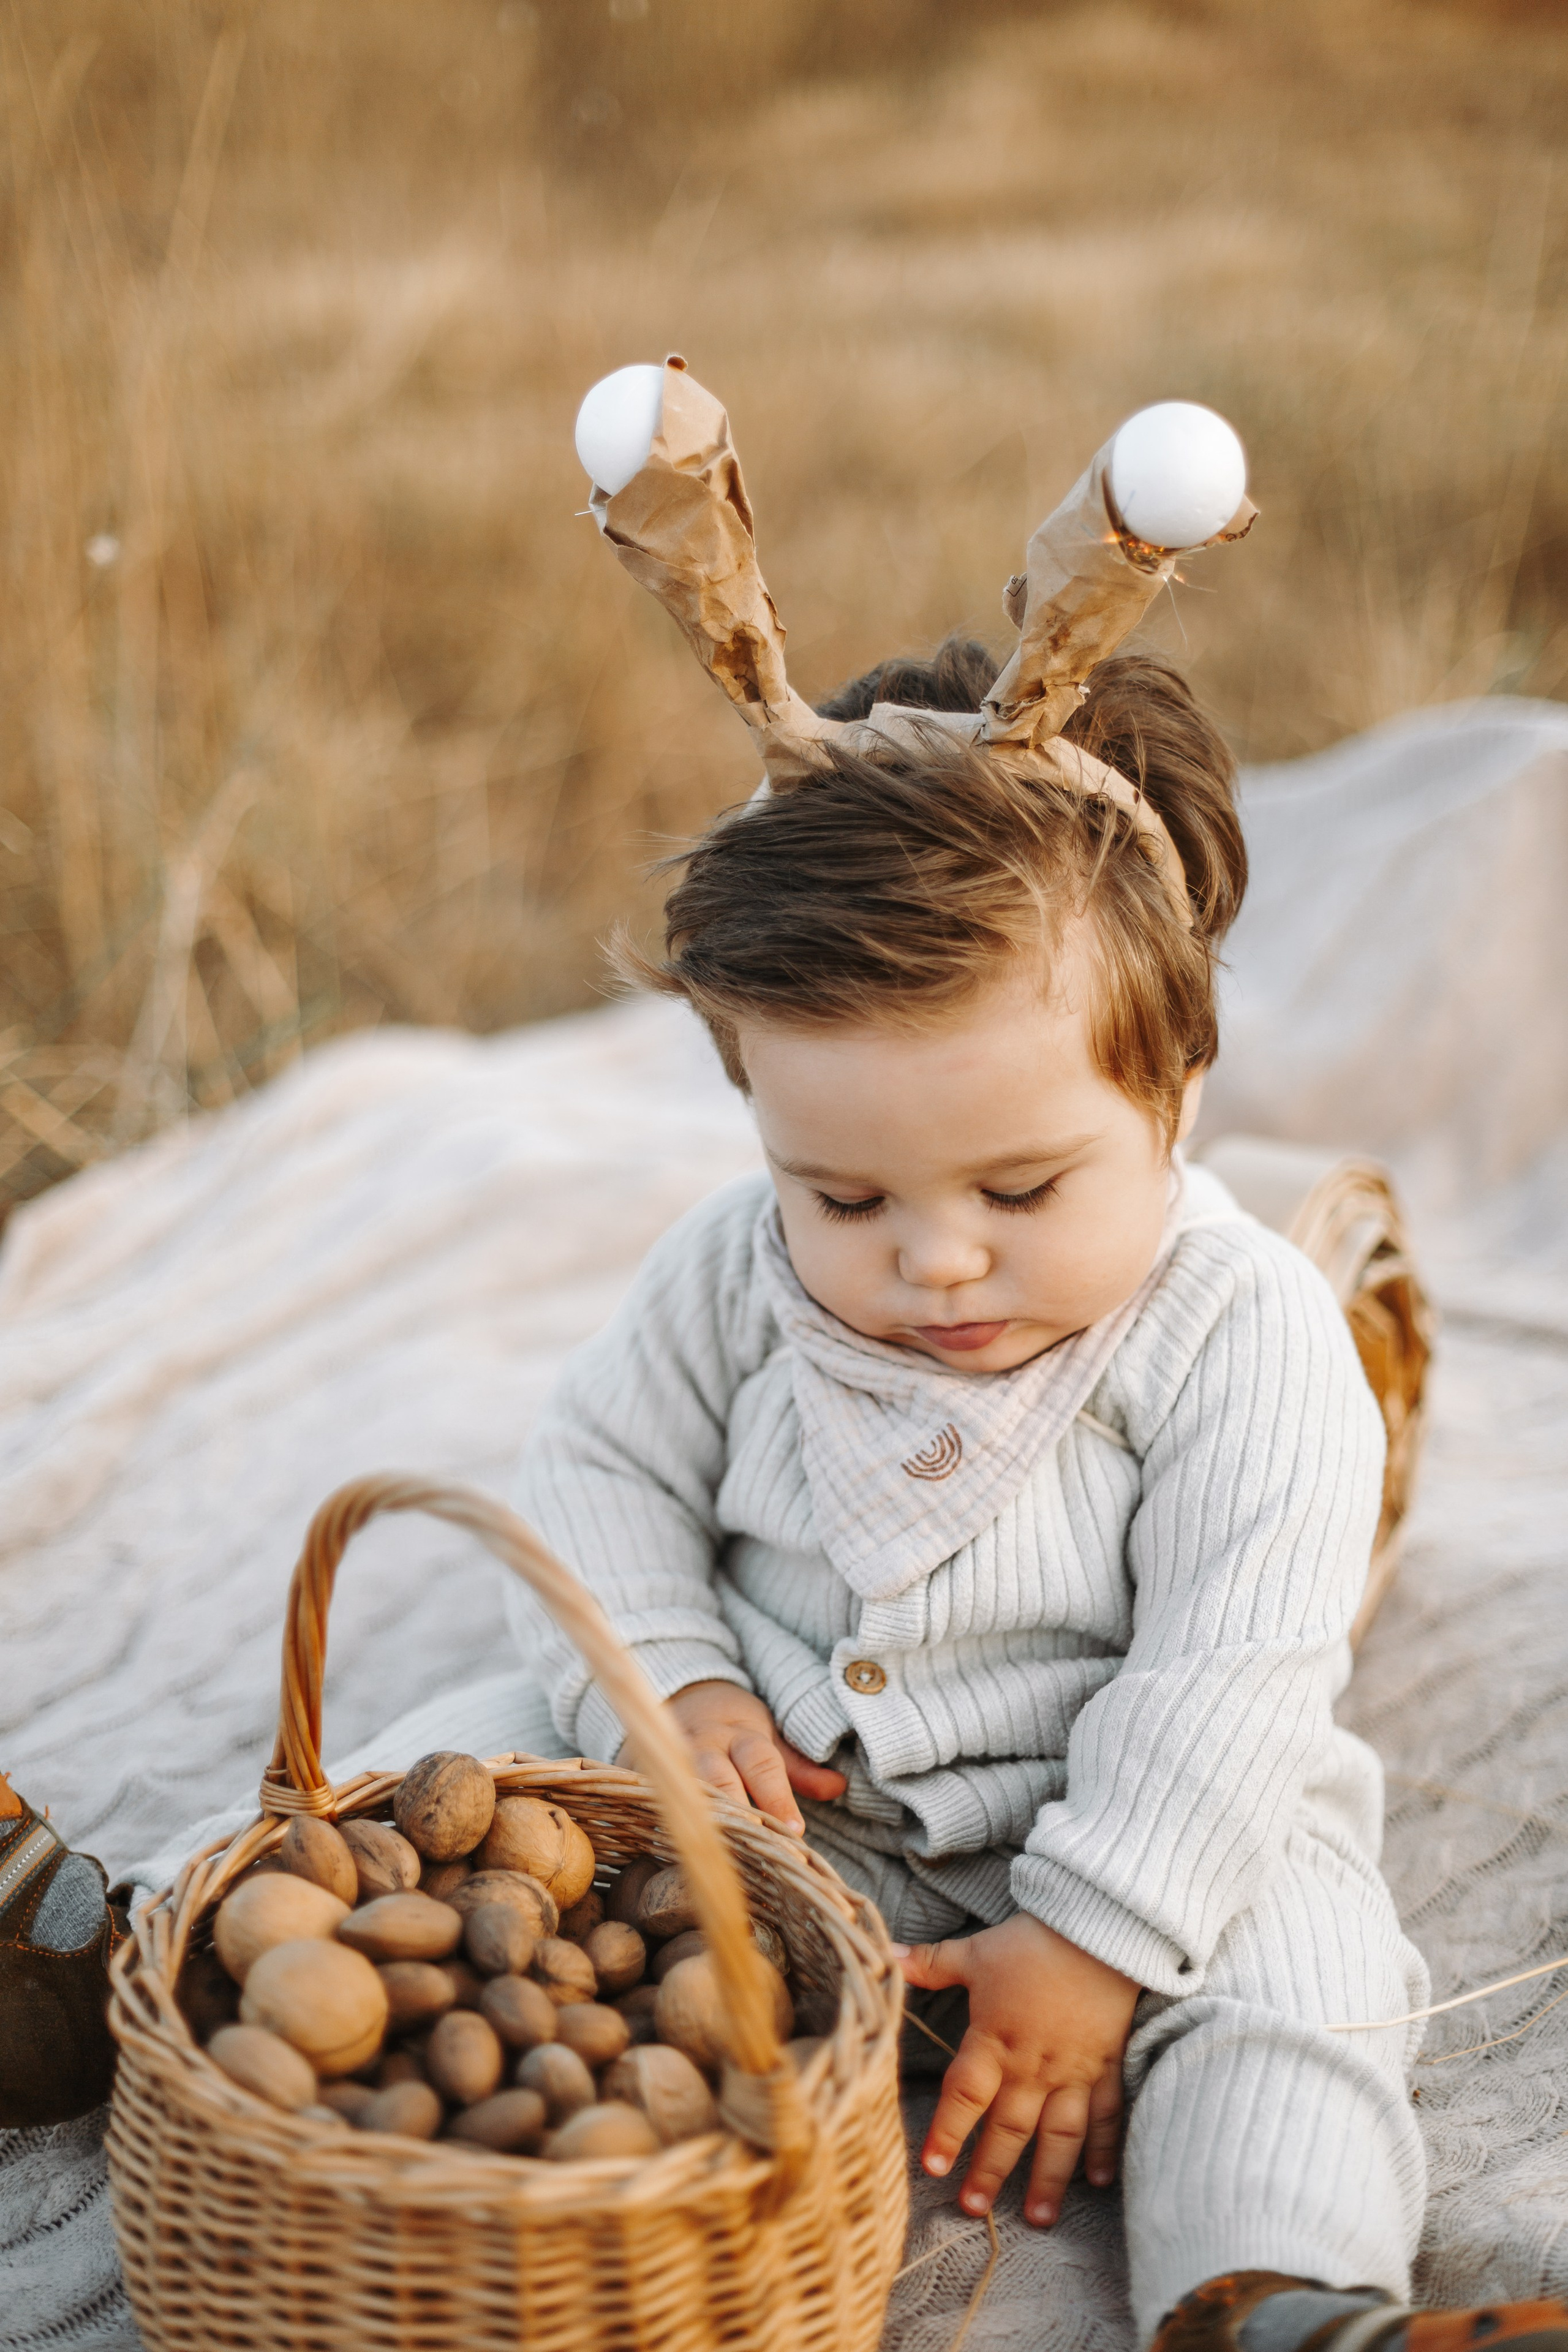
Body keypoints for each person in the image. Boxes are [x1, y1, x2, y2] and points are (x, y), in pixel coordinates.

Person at [503, 364, 1568, 2352]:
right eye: (843, 1199)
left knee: (1306, 1976)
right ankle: (141, 1950)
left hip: (1129, 1836)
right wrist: (674, 1680)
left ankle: (1280, 2295)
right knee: (464, 1773)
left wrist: (1091, 1938)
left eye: (1021, 1184)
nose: (931, 1261)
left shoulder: (1241, 1328)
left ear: (1172, 1089)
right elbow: (595, 1478)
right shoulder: (735, 1269)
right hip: (772, 1825)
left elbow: (1238, 1663)